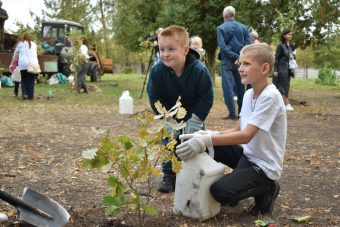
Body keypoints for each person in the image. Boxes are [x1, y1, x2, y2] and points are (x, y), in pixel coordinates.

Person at [176, 43, 287, 216]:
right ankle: (240, 182)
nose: (240, 68)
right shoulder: (250, 93)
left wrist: (206, 140)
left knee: (220, 192)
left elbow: (245, 136)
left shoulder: (270, 96)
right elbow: (238, 128)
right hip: (247, 156)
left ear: (265, 68)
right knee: (210, 145)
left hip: (264, 167)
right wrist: (210, 134)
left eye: (247, 64)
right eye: (240, 64)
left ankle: (268, 187)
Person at [147, 25, 214, 193]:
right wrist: (165, 118)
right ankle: (169, 174)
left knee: (194, 144)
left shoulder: (199, 70)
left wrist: (196, 119)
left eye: (171, 49)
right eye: (162, 49)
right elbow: (154, 97)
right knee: (168, 144)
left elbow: (206, 96)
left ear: (185, 50)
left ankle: (194, 173)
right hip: (169, 115)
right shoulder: (157, 72)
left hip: (193, 115)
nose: (165, 54)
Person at [217, 6, 252, 120]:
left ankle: (232, 113)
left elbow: (222, 46)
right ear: (233, 14)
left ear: (225, 15)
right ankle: (241, 113)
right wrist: (240, 57)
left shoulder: (221, 28)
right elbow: (248, 45)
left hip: (227, 60)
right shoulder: (244, 27)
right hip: (240, 62)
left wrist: (235, 56)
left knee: (227, 87)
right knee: (241, 86)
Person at [273, 28, 296, 111]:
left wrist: (293, 57)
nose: (291, 36)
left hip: (288, 69)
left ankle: (283, 103)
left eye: (291, 34)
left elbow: (292, 55)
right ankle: (286, 104)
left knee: (286, 86)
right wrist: (275, 70)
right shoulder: (280, 45)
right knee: (282, 87)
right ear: (284, 35)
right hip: (281, 68)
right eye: (289, 34)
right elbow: (277, 58)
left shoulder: (290, 45)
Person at [12, 32, 39, 100]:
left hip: (23, 64)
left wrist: (12, 64)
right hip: (33, 64)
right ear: (30, 38)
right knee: (31, 80)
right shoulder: (34, 44)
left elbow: (15, 55)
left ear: (23, 37)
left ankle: (25, 94)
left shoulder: (20, 44)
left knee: (23, 79)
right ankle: (30, 96)